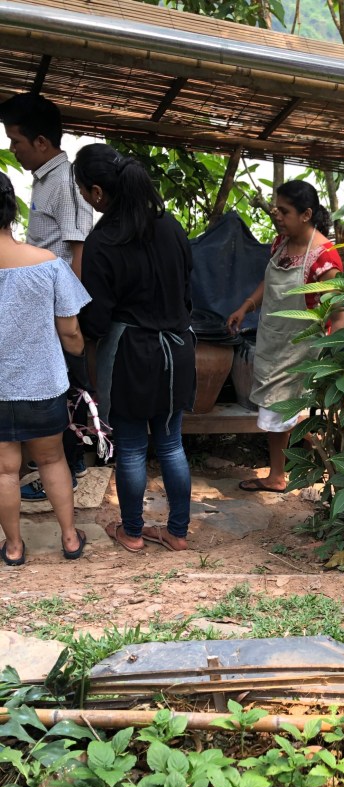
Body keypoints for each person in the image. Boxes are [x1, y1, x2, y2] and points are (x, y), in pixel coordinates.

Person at [75, 143, 195, 554]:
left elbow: (95, 319)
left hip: (131, 353)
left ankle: (132, 532)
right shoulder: (171, 226)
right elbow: (187, 294)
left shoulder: (103, 240)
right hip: (178, 350)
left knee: (130, 446)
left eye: (82, 191)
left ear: (97, 192)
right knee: (171, 442)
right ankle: (177, 532)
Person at [0, 92, 94, 500]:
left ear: (41, 142)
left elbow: (78, 248)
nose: (12, 149)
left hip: (59, 302)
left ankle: (68, 468)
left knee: (64, 389)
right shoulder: (45, 179)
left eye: (16, 141)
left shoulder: (64, 182)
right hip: (46, 298)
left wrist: (70, 311)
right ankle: (52, 464)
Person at [227, 181, 344, 493]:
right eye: (276, 208)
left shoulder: (324, 258)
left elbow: (337, 314)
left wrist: (337, 361)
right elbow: (269, 283)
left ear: (306, 214)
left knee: (281, 409)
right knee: (276, 408)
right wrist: (246, 306)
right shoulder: (281, 243)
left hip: (302, 349)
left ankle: (290, 473)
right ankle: (280, 473)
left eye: (284, 210)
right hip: (273, 341)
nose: (276, 215)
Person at [0, 171, 89, 565]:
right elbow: (70, 330)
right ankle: (69, 538)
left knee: (4, 471)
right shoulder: (48, 264)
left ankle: (14, 547)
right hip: (42, 383)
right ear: (11, 209)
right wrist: (80, 357)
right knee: (52, 460)